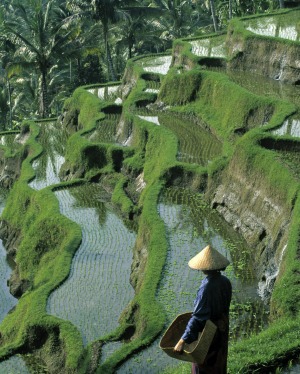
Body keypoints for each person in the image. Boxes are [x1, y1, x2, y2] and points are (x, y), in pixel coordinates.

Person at [174, 244, 232, 374]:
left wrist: (183, 340)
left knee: (203, 366)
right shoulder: (225, 281)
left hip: (208, 333)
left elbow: (198, 318)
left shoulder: (206, 288)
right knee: (219, 362)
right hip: (221, 328)